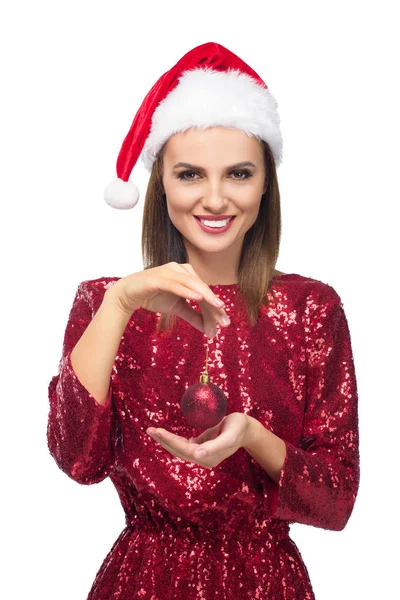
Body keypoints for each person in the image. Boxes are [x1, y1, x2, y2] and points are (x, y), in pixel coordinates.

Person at [46, 42, 360, 599]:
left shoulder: (311, 309)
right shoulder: (106, 302)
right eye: (190, 174)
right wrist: (121, 304)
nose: (214, 199)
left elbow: (335, 501)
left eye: (238, 173)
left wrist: (253, 437)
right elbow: (77, 459)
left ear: (266, 183)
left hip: (267, 583)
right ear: (161, 182)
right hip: (143, 580)